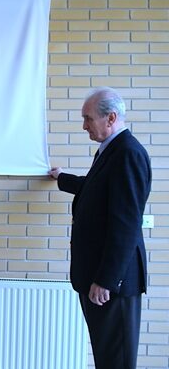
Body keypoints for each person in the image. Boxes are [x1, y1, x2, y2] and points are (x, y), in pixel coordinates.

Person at [49, 87, 151, 369]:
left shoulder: (127, 153)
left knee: (116, 361)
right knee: (107, 359)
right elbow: (96, 189)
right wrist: (62, 178)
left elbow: (126, 223)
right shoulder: (111, 151)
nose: (84, 126)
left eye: (88, 118)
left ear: (111, 118)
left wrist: (106, 280)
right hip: (100, 278)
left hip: (112, 284)